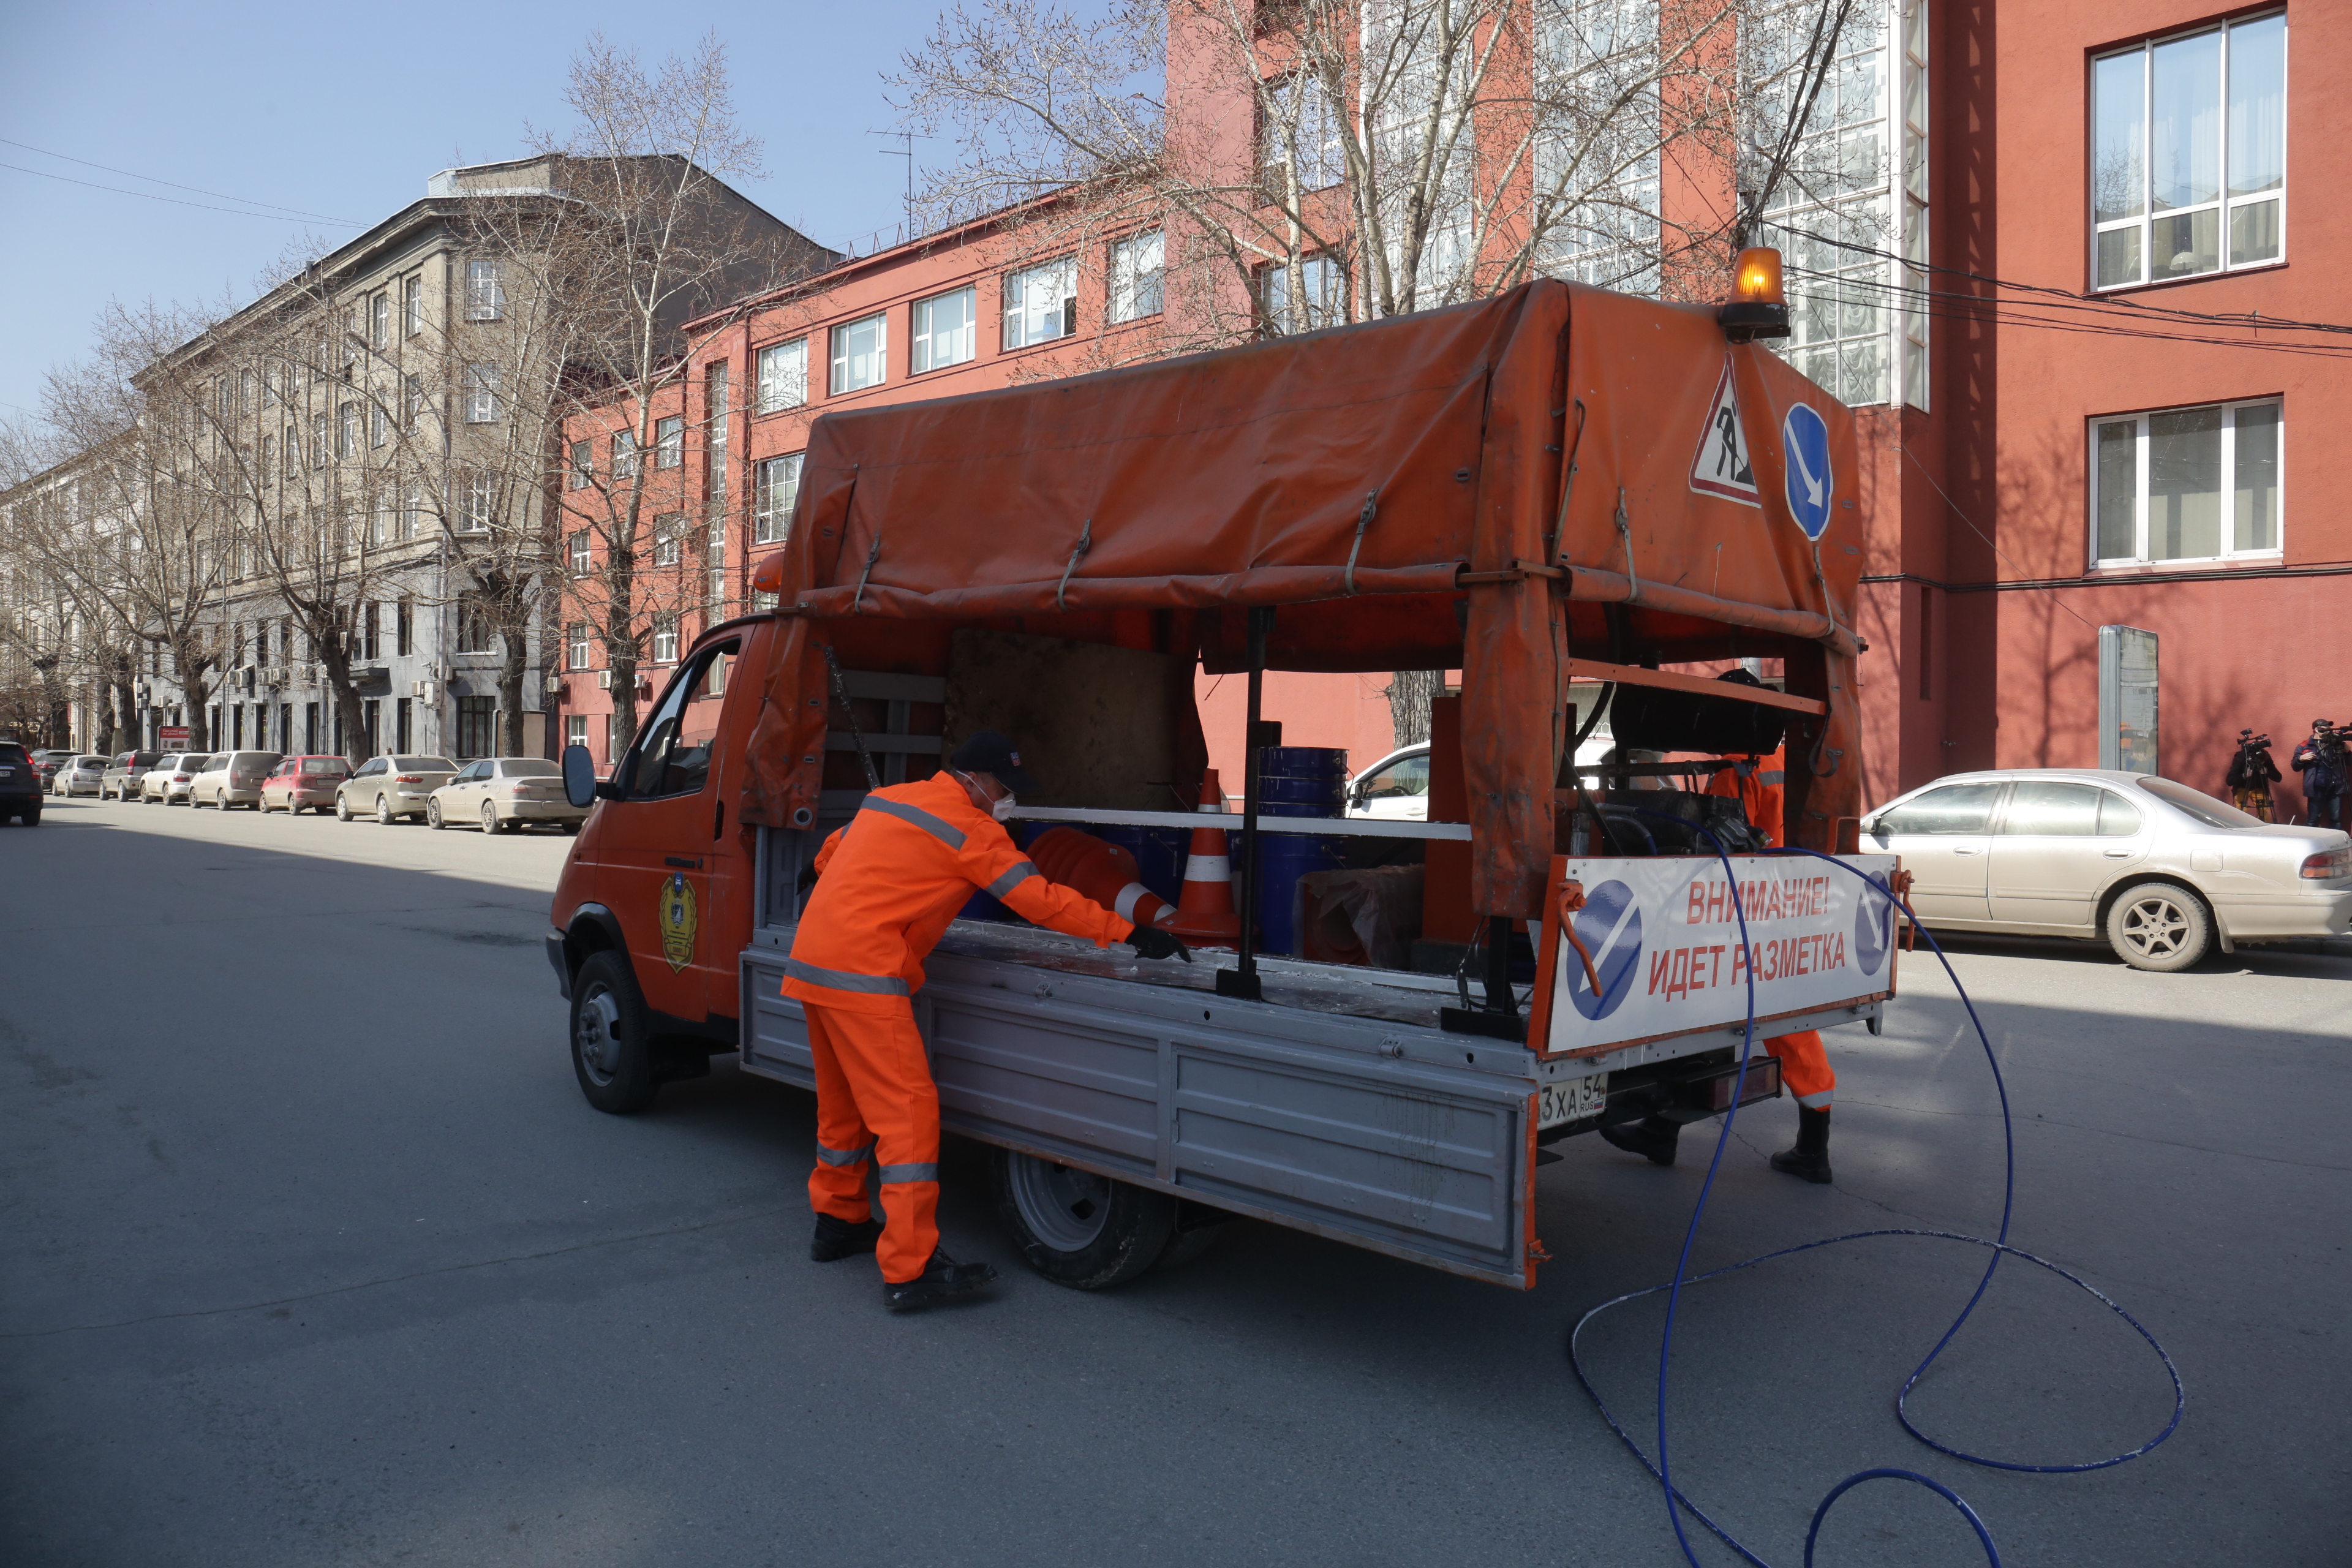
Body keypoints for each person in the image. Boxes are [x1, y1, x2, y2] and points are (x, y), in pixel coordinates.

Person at [784, 729, 1193, 1311]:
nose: (1009, 800)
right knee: (908, 1119)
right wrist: (1127, 931)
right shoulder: (972, 831)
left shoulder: (892, 798)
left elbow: (840, 843)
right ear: (973, 780)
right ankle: (910, 1268)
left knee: (842, 1108)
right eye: (1004, 787)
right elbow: (1039, 899)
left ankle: (838, 1221)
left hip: (813, 963)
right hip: (866, 977)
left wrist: (816, 867)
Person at [1602, 672, 1834, 1182]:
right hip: (1787, 899)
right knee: (1779, 1021)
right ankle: (1669, 1132)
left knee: (1698, 1017)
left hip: (1744, 908)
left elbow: (1720, 842)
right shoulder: (1788, 760)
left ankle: (1666, 1132)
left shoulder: (1736, 767)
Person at [2292, 721, 2345, 831]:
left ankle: (2338, 839)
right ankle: (2310, 839)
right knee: (2313, 818)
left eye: (2329, 729)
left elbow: (2348, 762)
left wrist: (2347, 752)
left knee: (2335, 818)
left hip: (2335, 786)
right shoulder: (2305, 745)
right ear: (2317, 729)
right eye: (2325, 729)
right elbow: (2295, 767)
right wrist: (2301, 759)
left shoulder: (2334, 743)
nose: (2328, 731)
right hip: (2316, 787)